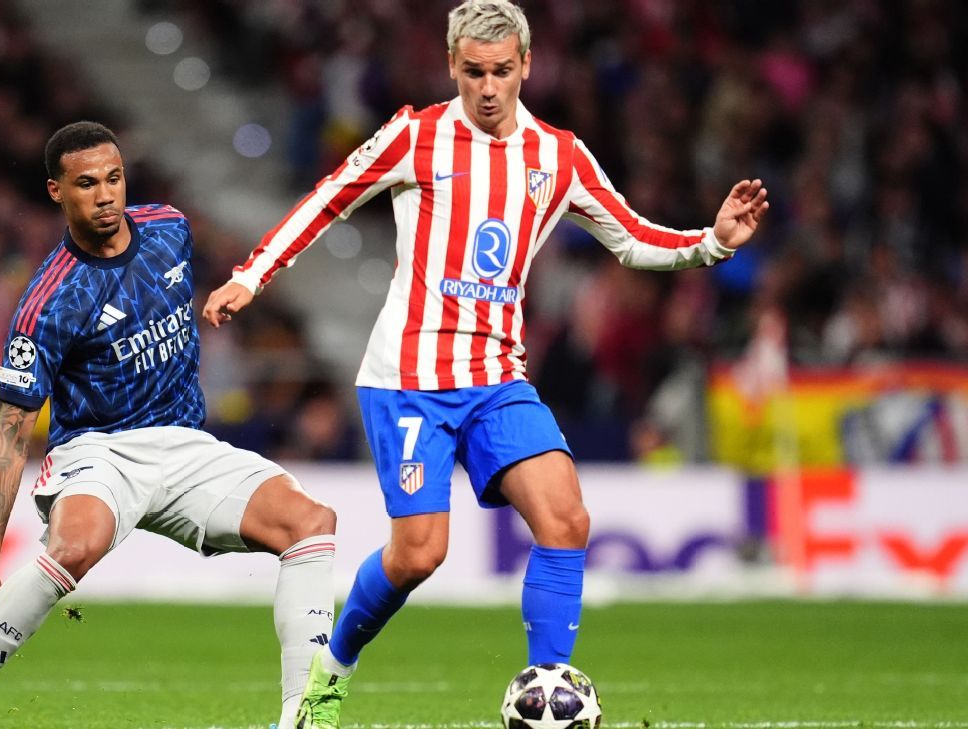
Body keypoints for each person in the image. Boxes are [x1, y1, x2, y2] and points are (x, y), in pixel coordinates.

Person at [202, 2, 770, 727]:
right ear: (452, 66)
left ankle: (548, 691)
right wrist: (253, 275)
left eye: (502, 70)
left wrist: (711, 242)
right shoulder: (415, 135)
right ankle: (329, 675)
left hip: (498, 379)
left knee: (565, 517)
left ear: (527, 64)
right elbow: (325, 200)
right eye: (474, 71)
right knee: (418, 554)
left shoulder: (559, 155)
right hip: (410, 381)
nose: (489, 87)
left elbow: (630, 237)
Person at [0, 121, 338, 729]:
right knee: (75, 546)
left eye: (114, 178)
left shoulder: (170, 229)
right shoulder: (48, 302)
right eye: (87, 184)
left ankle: (303, 717)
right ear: (57, 191)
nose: (106, 194)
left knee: (311, 522)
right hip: (99, 452)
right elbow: (8, 434)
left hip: (186, 444)